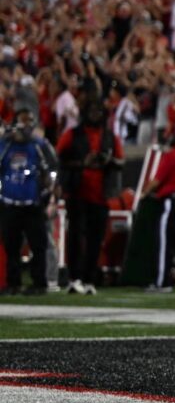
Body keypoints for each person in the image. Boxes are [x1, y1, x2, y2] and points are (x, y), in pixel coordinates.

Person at [56, 94, 124, 295]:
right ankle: (74, 277)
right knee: (76, 236)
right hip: (77, 192)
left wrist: (107, 161)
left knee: (96, 239)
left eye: (98, 112)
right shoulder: (73, 134)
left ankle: (89, 279)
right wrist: (81, 164)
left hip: (101, 194)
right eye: (92, 111)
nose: (95, 115)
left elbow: (121, 161)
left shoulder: (110, 136)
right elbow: (59, 156)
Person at [0, 107, 57, 296]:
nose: (27, 126)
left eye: (30, 121)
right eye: (23, 121)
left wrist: (47, 195)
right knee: (11, 246)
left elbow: (52, 172)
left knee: (37, 245)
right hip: (9, 202)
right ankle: (13, 282)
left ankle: (39, 282)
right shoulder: (5, 146)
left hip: (32, 204)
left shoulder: (40, 146)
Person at [141, 123, 175, 292]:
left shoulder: (172, 156)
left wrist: (143, 194)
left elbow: (156, 181)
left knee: (165, 243)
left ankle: (162, 281)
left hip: (172, 201)